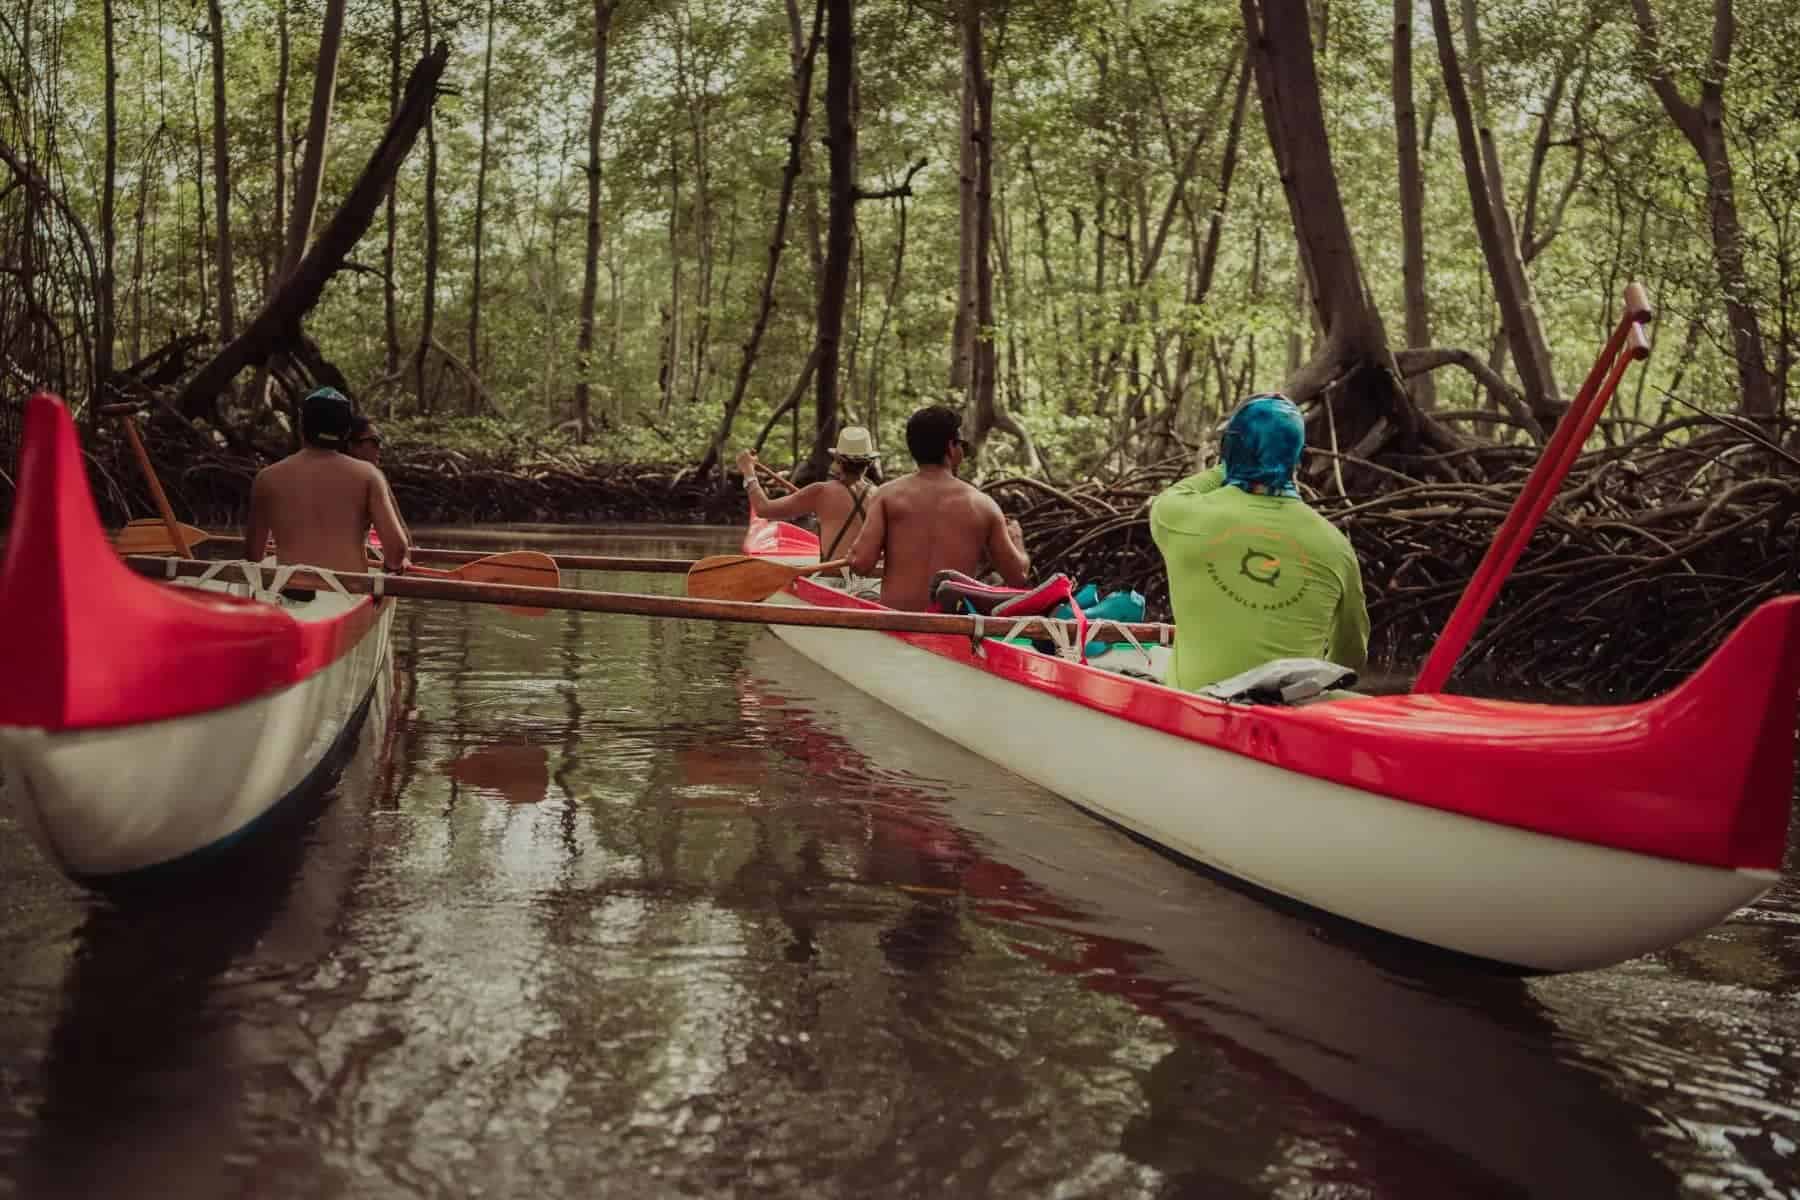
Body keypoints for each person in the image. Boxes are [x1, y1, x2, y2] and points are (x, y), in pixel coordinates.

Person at [1149, 393, 1368, 691]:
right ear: (1299, 459)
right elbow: (1350, 661)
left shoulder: (1176, 515)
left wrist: (1228, 464)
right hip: (1289, 718)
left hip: (1196, 712)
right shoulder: (1336, 547)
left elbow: (1182, 490)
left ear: (1229, 449)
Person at [847, 405, 1030, 611]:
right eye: (961, 444)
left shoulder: (887, 495)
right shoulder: (983, 505)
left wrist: (854, 552)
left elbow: (860, 563)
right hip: (950, 628)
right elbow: (1018, 577)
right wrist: (1017, 539)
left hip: (894, 623)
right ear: (951, 448)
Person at [243, 387, 411, 577]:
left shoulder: (266, 478)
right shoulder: (369, 476)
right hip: (349, 596)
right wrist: (388, 573)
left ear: (301, 427)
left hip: (287, 595)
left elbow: (253, 558)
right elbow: (397, 550)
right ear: (346, 432)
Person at [737, 426, 880, 564]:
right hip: (872, 582)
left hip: (833, 579)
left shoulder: (820, 493)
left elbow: (763, 509)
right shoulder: (880, 495)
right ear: (869, 463)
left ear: (838, 461)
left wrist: (749, 472)